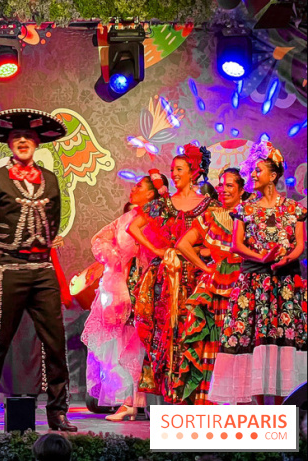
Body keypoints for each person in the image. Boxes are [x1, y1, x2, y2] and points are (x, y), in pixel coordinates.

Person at [0, 108, 75, 433]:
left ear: (36, 143)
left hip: (43, 268)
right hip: (9, 267)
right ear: (9, 143)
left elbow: (54, 221)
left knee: (55, 342)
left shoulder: (50, 179)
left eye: (28, 137)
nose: (22, 141)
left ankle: (58, 411)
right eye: (16, 137)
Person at [209, 142, 307, 404]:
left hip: (283, 285)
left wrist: (287, 258)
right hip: (253, 284)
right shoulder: (245, 209)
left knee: (282, 338)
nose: (252, 174)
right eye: (252, 170)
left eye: (258, 170)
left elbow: (300, 244)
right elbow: (236, 245)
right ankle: (260, 409)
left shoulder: (293, 208)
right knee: (253, 340)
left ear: (273, 175)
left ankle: (284, 408)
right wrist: (261, 257)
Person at [128, 144, 217, 403]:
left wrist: (205, 252)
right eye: (172, 170)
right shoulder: (163, 204)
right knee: (166, 332)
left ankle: (194, 395)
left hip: (197, 276)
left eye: (179, 169)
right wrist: (157, 249)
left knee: (194, 332)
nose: (174, 174)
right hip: (167, 275)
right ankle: (170, 396)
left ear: (193, 171)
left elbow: (219, 236)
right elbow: (134, 227)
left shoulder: (209, 205)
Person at [82, 174, 166, 421]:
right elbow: (99, 238)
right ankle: (129, 401)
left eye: (139, 186)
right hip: (128, 282)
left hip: (149, 281)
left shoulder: (157, 217)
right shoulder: (128, 217)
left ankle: (142, 402)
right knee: (126, 342)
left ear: (151, 193)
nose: (134, 189)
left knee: (143, 342)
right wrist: (115, 258)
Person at [174, 168, 246, 405]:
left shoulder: (249, 215)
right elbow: (183, 244)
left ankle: (239, 402)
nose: (223, 190)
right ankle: (211, 401)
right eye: (221, 185)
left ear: (242, 190)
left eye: (230, 185)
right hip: (215, 286)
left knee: (238, 342)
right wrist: (205, 268)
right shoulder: (210, 216)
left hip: (242, 285)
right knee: (213, 342)